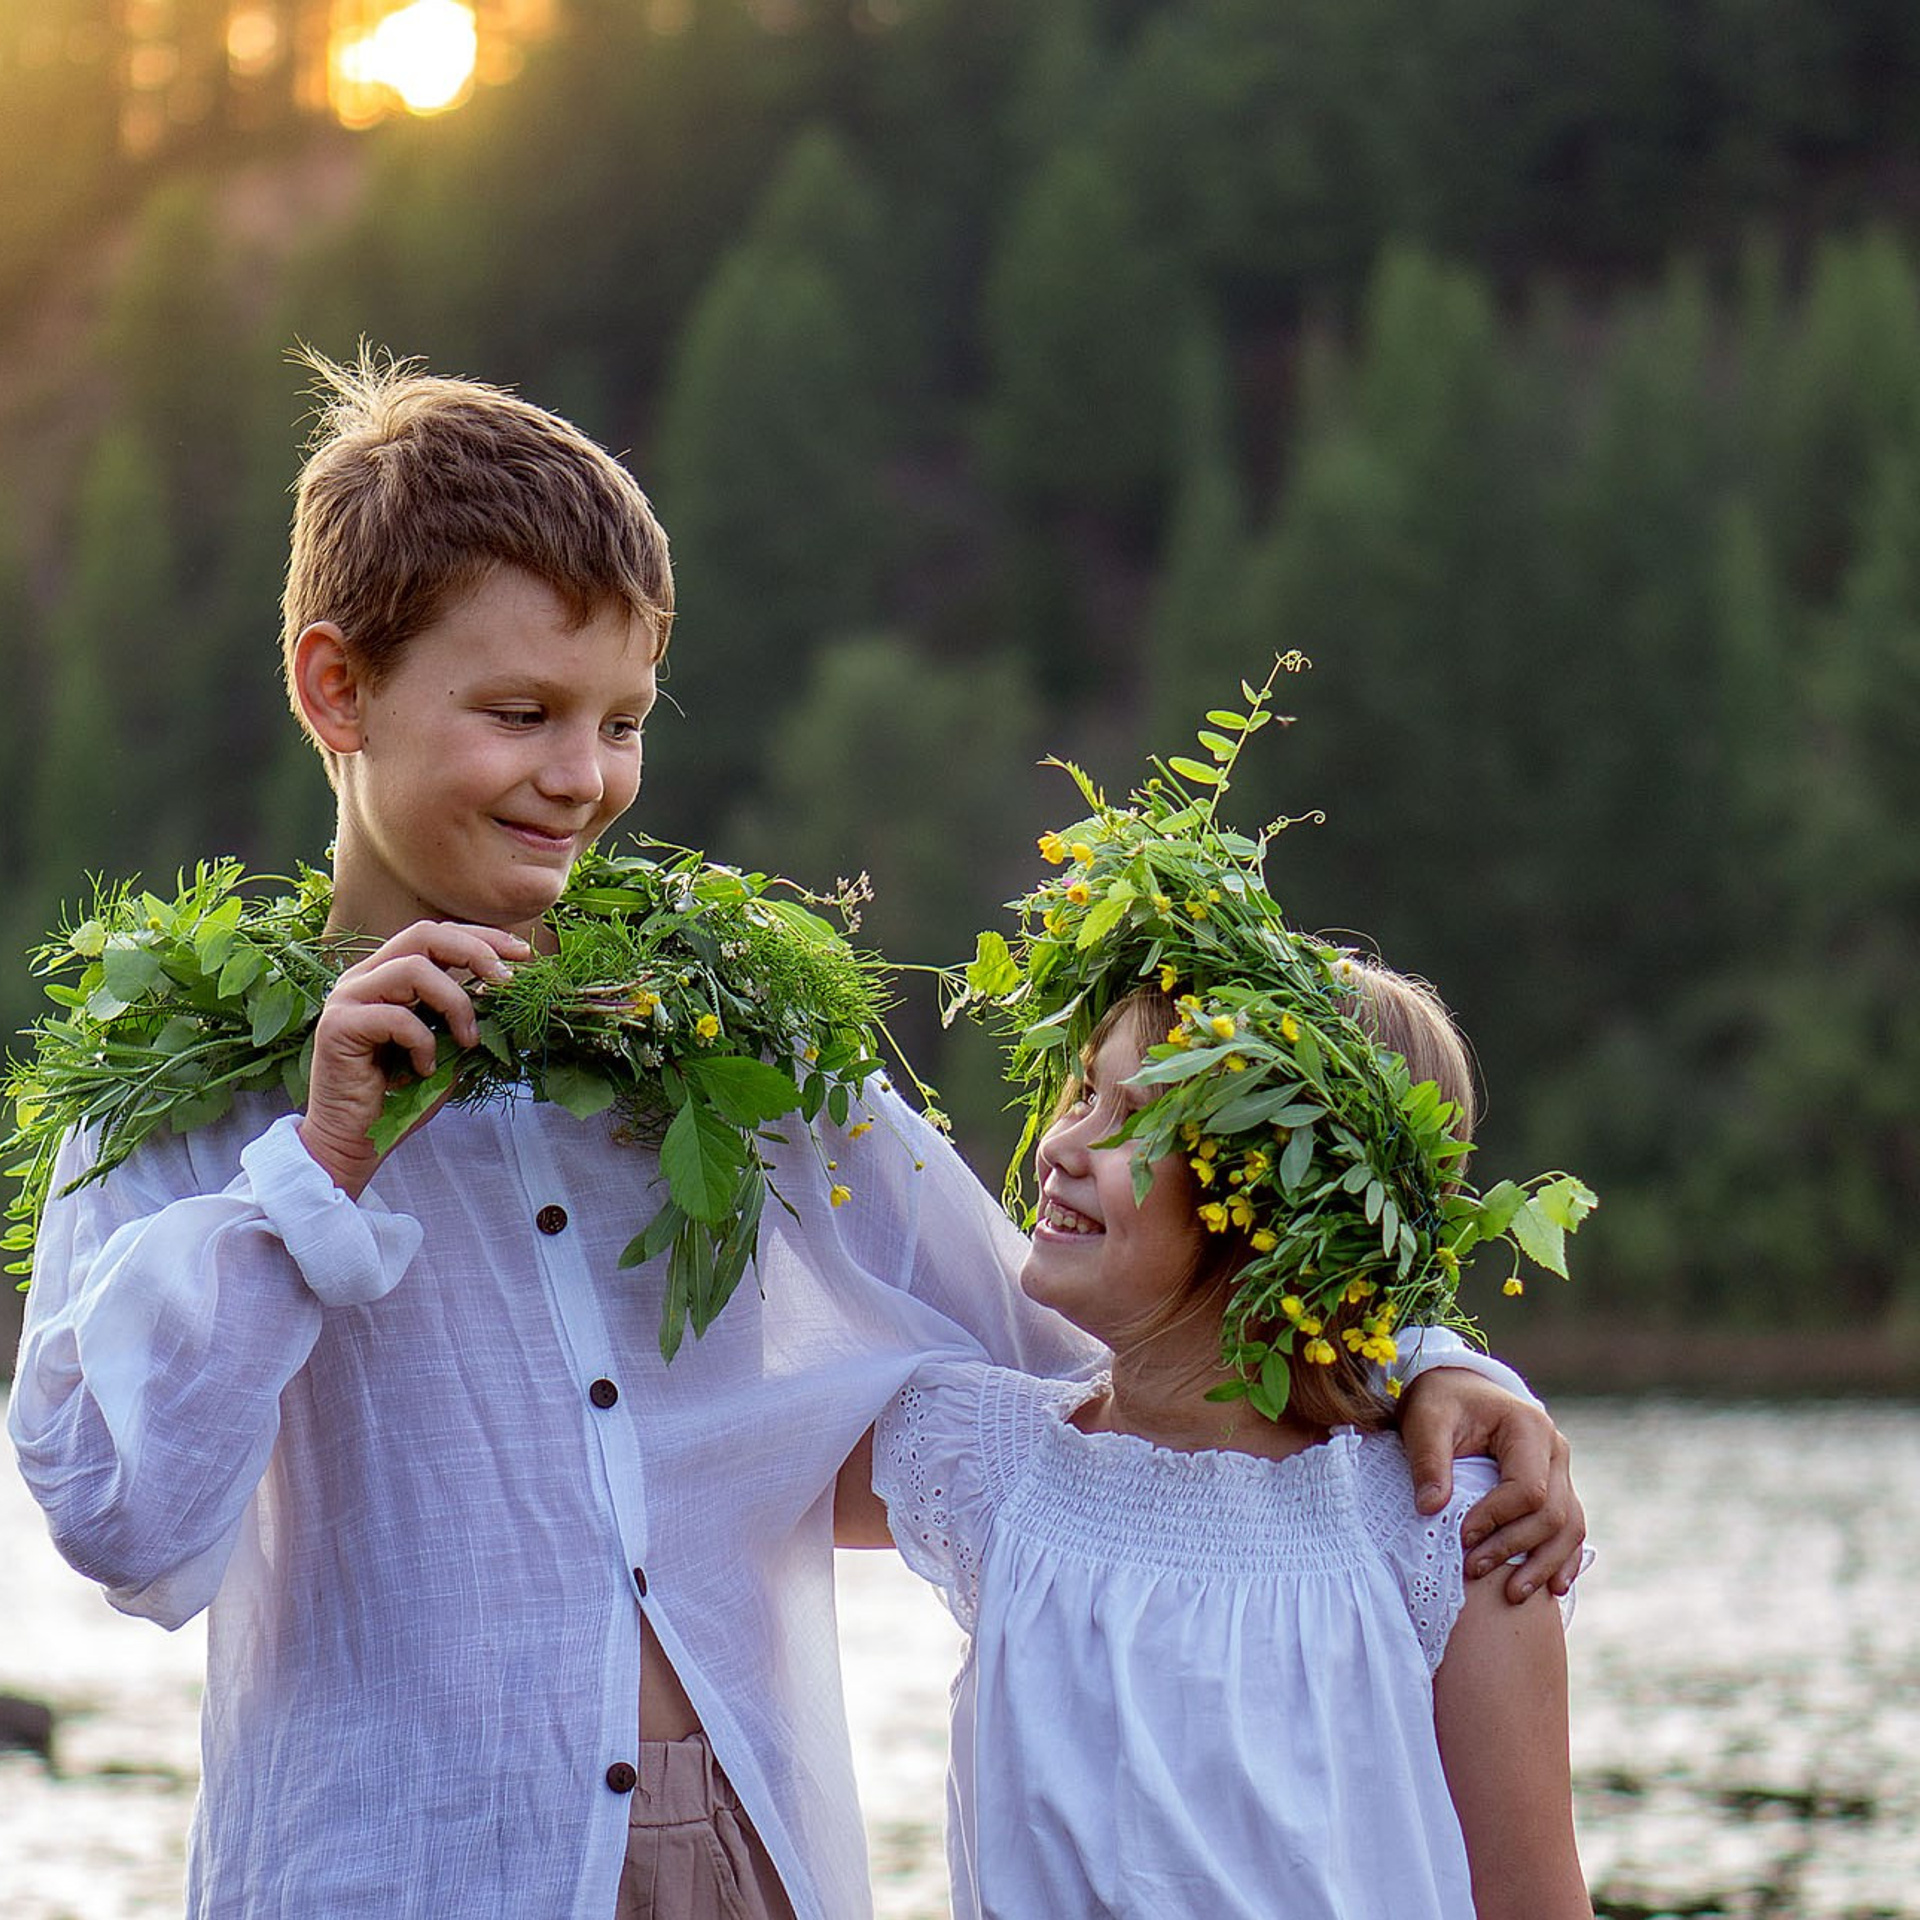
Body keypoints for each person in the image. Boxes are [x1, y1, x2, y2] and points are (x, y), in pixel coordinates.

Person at [9, 351, 1579, 1920]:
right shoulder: (180, 1095)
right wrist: (321, 1166)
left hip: (741, 1851)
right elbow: (123, 1528)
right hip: (394, 1863)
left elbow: (1092, 1347)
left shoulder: (739, 1048)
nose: (582, 778)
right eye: (521, 713)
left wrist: (1426, 1364)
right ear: (335, 686)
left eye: (621, 721)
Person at [854, 953, 1594, 1920]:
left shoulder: (1455, 1540)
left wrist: (1436, 1363)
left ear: (1286, 1213)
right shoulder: (985, 1465)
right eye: (1084, 1091)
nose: (1064, 1144)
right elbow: (708, 1452)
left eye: (1137, 1121)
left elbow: (1534, 1901)